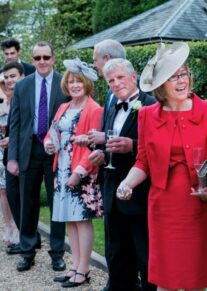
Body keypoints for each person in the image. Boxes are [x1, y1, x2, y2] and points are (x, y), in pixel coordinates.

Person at [116, 42, 207, 291]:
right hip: (163, 207)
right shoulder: (146, 115)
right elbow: (143, 161)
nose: (181, 80)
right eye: (173, 76)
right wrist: (127, 182)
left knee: (195, 278)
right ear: (160, 86)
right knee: (165, 279)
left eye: (184, 73)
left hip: (198, 206)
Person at [88, 58, 156, 291]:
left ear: (134, 76)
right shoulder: (112, 106)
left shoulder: (151, 105)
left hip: (139, 194)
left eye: (120, 78)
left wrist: (133, 145)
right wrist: (101, 154)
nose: (116, 84)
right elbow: (110, 142)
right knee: (116, 256)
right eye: (111, 81)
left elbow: (158, 147)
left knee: (145, 257)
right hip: (112, 192)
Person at [7, 41, 69, 272]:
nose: (42, 61)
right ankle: (27, 251)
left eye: (46, 57)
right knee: (27, 203)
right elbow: (15, 124)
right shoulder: (22, 86)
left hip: (56, 152)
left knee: (57, 203)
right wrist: (12, 157)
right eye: (37, 58)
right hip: (28, 150)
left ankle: (57, 253)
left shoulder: (65, 83)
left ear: (53, 58)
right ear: (32, 61)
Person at [44, 58, 103, 288]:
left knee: (81, 219)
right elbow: (53, 133)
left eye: (79, 81)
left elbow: (95, 147)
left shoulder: (94, 109)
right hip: (62, 169)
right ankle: (75, 267)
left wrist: (78, 173)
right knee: (69, 219)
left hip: (82, 172)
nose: (74, 85)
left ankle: (84, 270)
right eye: (71, 81)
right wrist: (49, 144)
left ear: (86, 83)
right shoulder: (63, 107)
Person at [0, 61, 24, 255]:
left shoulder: (23, 95)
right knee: (2, 191)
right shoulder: (2, 97)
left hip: (17, 150)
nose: (9, 81)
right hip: (1, 150)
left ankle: (20, 229)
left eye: (12, 77)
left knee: (17, 191)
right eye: (6, 78)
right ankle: (9, 226)